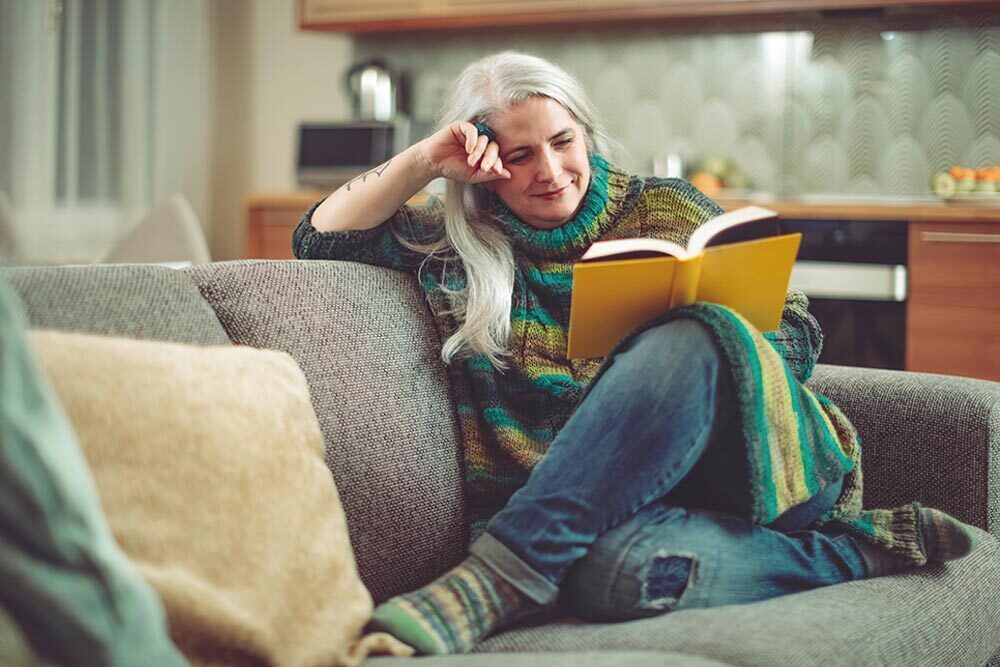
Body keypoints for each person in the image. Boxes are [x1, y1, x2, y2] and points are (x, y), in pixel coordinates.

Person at [293, 51, 979, 655]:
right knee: (603, 573)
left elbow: (799, 333)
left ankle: (491, 581)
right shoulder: (460, 248)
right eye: (521, 155)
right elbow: (319, 241)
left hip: (764, 460)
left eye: (564, 141)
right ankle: (852, 552)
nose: (552, 171)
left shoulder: (665, 210)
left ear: (587, 132)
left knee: (693, 331)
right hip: (612, 519)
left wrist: (700, 350)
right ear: (484, 168)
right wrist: (422, 159)